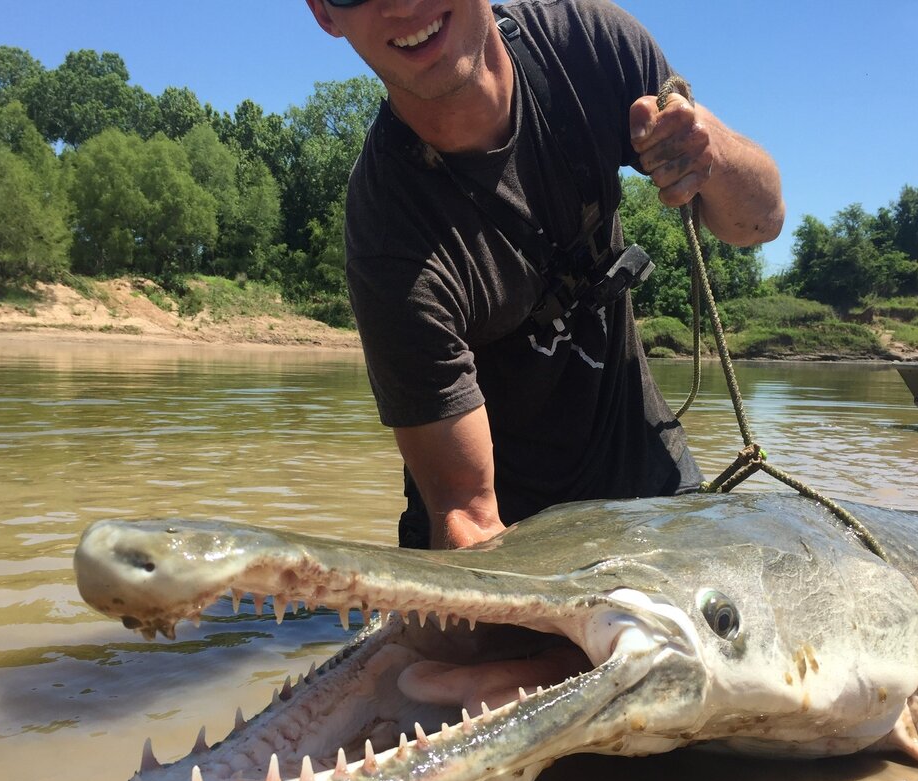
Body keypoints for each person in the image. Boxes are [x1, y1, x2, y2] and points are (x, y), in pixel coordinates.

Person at [305, 0, 784, 550]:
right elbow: (466, 514)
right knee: (432, 635)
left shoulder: (586, 46)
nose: (402, 5)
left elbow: (761, 223)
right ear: (324, 13)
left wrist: (711, 152)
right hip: (505, 536)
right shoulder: (391, 240)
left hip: (649, 487)